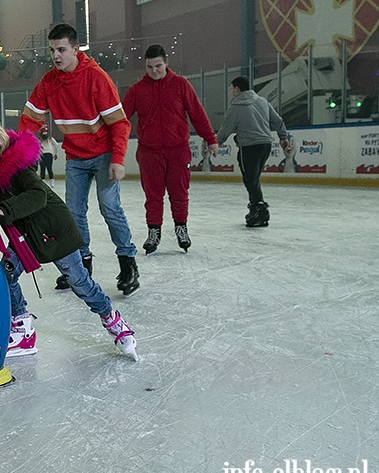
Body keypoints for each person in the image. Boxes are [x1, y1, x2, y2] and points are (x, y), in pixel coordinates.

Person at [0, 117, 138, 361]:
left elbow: (37, 196)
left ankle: (113, 320)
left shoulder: (18, 169)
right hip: (24, 238)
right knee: (6, 274)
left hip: (54, 233)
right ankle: (23, 329)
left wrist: (5, 211)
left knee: (80, 284)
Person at [18, 23, 139, 296]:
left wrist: (117, 159)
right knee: (74, 213)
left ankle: (128, 262)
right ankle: (81, 267)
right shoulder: (49, 82)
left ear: (75, 49)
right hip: (75, 156)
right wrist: (17, 153)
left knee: (110, 207)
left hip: (104, 154)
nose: (56, 56)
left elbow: (120, 124)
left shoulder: (96, 78)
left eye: (61, 50)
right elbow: (29, 120)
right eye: (52, 51)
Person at [122, 44, 219, 255]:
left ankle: (181, 228)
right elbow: (121, 118)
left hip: (178, 149)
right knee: (153, 195)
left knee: (179, 192)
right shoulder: (137, 90)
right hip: (149, 151)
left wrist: (210, 139)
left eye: (158, 66)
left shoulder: (181, 85)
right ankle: (153, 232)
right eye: (150, 67)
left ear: (166, 63)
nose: (154, 70)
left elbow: (197, 114)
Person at [216, 76, 289, 227]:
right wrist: (283, 136)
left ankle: (259, 209)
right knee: (254, 179)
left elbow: (225, 130)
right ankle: (256, 208)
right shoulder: (262, 101)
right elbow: (277, 120)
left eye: (232, 89)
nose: (231, 92)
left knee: (250, 180)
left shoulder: (235, 107)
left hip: (249, 147)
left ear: (236, 88)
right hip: (265, 146)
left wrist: (214, 143)